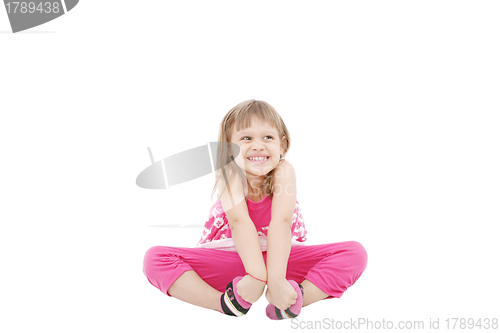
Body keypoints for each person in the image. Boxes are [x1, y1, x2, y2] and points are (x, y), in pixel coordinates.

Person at [143, 99, 368, 319]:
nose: (258, 145)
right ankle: (226, 303)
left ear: (283, 145)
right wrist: (256, 276)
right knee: (155, 258)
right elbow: (239, 222)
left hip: (281, 258)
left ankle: (292, 300)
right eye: (246, 138)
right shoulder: (230, 174)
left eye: (268, 138)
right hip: (233, 258)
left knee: (355, 254)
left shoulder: (284, 171)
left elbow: (281, 222)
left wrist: (277, 280)